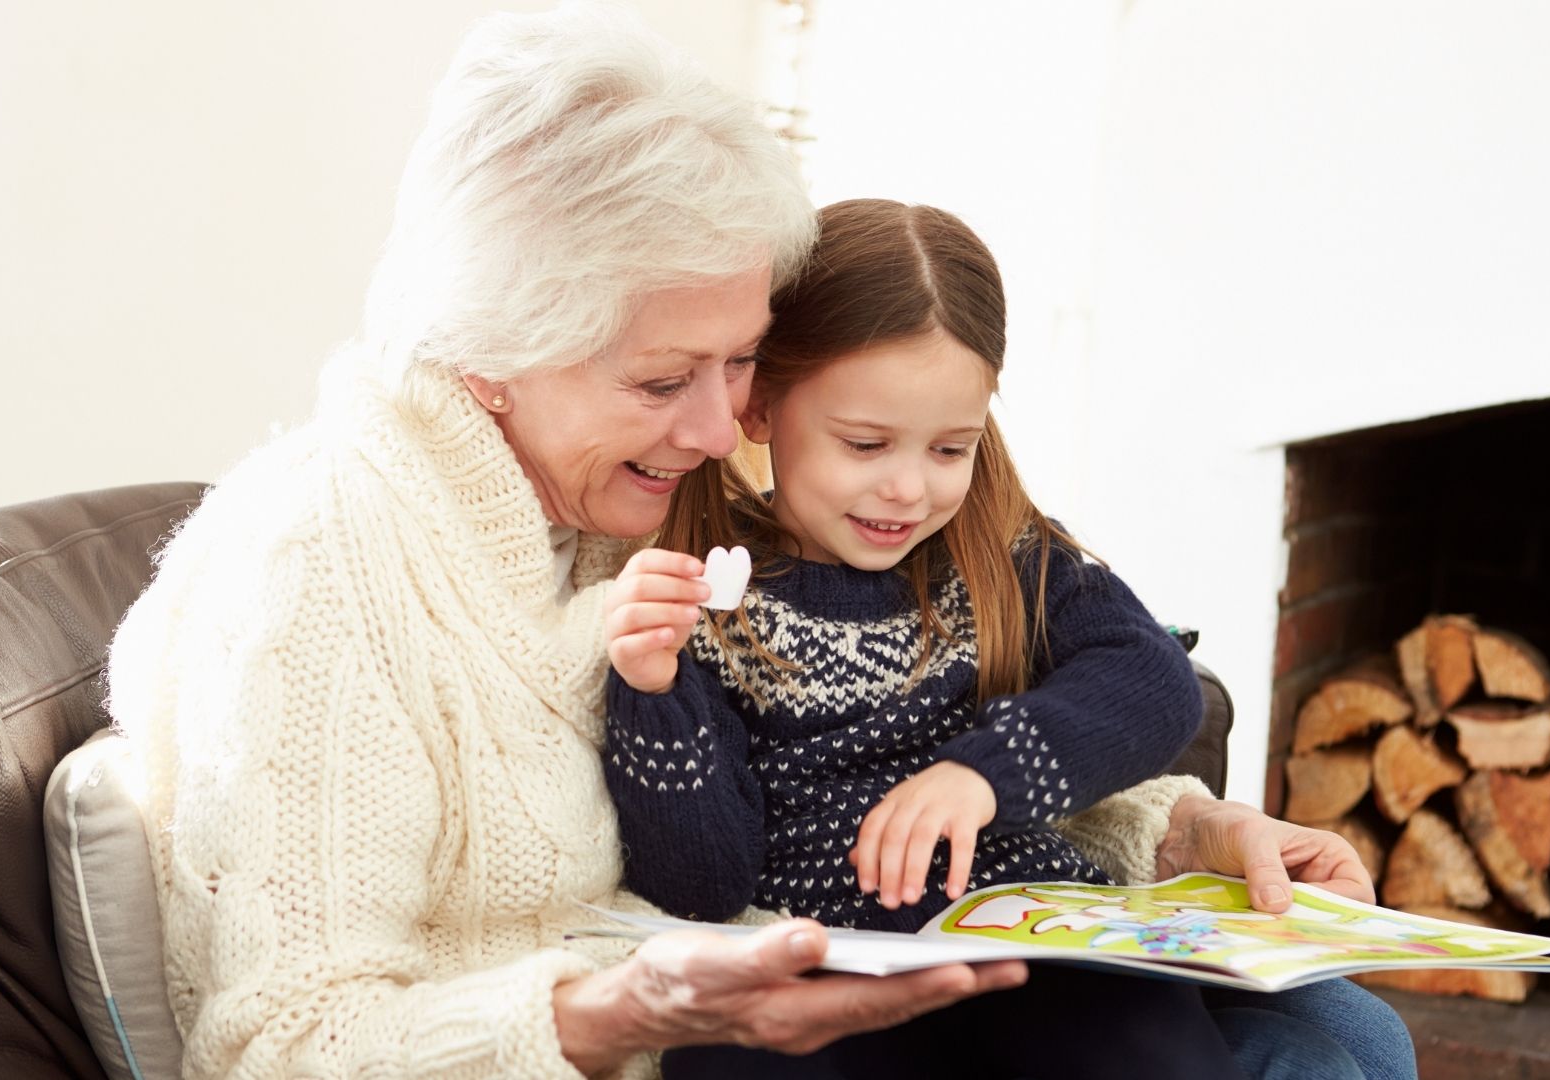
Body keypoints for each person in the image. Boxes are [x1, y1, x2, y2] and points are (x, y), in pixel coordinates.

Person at [108, 6, 1407, 1078]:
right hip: (655, 1035)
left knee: (1346, 1026)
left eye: (741, 364)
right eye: (669, 376)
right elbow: (285, 1041)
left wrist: (1177, 834)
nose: (729, 421)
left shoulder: (613, 499)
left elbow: (881, 736)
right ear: (494, 349)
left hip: (791, 971)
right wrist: (620, 1013)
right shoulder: (318, 571)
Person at [599, 197, 1376, 1078]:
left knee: (1169, 1042)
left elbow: (1153, 678)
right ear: (763, 407)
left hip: (1029, 941)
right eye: (865, 444)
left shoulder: (1005, 555)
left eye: (948, 450)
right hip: (830, 970)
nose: (907, 490)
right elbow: (703, 884)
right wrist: (653, 693)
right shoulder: (701, 596)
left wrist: (982, 774)